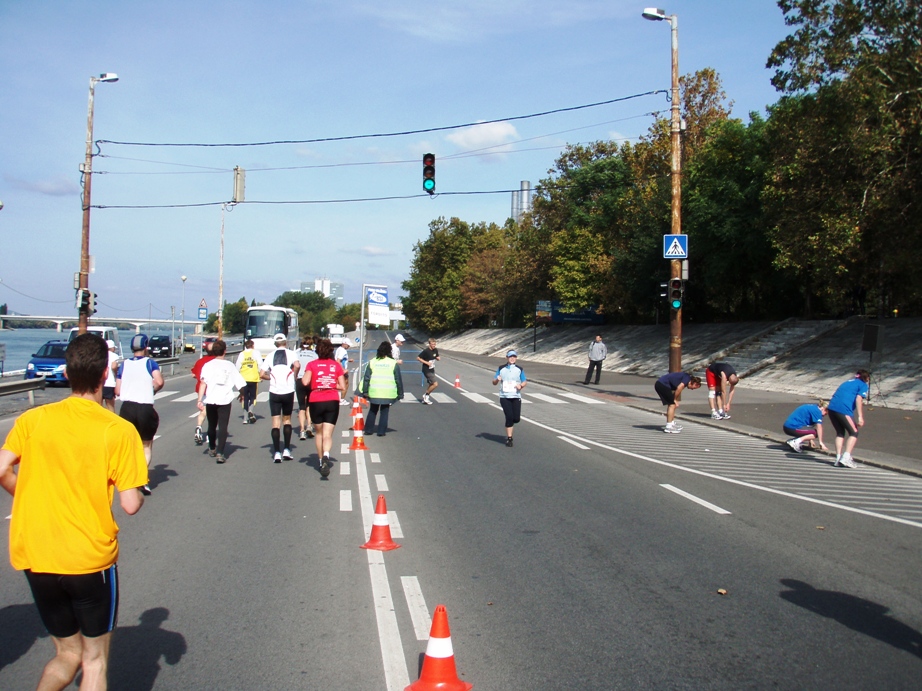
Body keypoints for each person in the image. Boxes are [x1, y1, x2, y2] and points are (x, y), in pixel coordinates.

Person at [0, 333, 147, 691]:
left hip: (35, 553)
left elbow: (2, 468)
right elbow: (129, 504)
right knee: (93, 661)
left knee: (66, 654)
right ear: (104, 377)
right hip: (87, 559)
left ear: (67, 374)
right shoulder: (118, 430)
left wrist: (31, 494)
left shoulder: (34, 420)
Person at [116, 334, 164, 495]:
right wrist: (152, 390)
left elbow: (117, 390)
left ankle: (129, 477)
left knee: (130, 445)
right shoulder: (150, 363)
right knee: (146, 445)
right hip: (144, 407)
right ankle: (142, 479)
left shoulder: (124, 365)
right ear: (146, 347)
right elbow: (159, 381)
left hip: (127, 408)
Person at [197, 340, 247, 464]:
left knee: (211, 425)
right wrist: (242, 394)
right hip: (224, 400)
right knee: (223, 426)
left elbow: (203, 383)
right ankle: (220, 452)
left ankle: (212, 447)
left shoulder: (208, 365)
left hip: (211, 399)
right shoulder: (229, 365)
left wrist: (199, 400)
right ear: (225, 351)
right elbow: (240, 383)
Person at [302, 338, 346, 477]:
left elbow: (305, 381)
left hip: (316, 399)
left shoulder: (311, 364)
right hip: (332, 400)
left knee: (319, 433)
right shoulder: (335, 366)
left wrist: (316, 382)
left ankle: (321, 461)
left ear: (317, 351)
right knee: (328, 434)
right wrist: (330, 385)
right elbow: (343, 386)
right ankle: (327, 454)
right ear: (330, 351)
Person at [260, 333, 301, 463]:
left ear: (275, 343)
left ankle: (277, 452)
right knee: (287, 420)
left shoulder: (270, 356)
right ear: (286, 342)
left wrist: (270, 377)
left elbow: (261, 374)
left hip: (274, 391)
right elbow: (298, 365)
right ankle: (287, 449)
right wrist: (294, 375)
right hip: (288, 390)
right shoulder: (291, 353)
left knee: (275, 422)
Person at [826, 370, 870, 468]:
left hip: (832, 408)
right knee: (854, 432)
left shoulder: (847, 382)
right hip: (843, 409)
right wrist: (860, 416)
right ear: (866, 378)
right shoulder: (863, 385)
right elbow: (859, 399)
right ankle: (846, 456)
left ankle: (838, 458)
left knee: (840, 432)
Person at [361, 341, 404, 437]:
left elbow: (366, 378)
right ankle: (381, 431)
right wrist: (400, 393)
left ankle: (368, 430)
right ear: (390, 351)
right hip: (387, 393)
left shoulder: (372, 362)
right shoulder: (393, 363)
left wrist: (365, 391)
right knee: (384, 412)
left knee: (373, 410)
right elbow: (398, 380)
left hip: (374, 392)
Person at [492, 349, 527, 447]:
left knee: (516, 418)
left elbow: (524, 381)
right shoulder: (501, 368)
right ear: (507, 357)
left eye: (514, 356)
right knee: (509, 417)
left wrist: (521, 386)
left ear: (516, 358)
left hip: (516, 396)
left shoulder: (519, 369)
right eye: (510, 356)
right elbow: (494, 382)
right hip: (504, 396)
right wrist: (497, 379)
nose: (512, 358)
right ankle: (509, 438)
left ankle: (512, 425)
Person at [191, 348, 218, 443]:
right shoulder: (216, 362)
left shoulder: (200, 361)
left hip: (201, 389)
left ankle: (199, 427)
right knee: (212, 413)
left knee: (203, 411)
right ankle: (209, 435)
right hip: (212, 390)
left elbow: (193, 374)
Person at [296, 337, 318, 440]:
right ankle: (309, 425)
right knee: (309, 405)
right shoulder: (314, 355)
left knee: (301, 406)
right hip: (310, 380)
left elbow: (294, 366)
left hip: (300, 380)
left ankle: (301, 430)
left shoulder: (297, 354)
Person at [235, 338, 262, 424]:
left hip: (243, 379)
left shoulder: (241, 354)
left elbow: (237, 367)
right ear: (252, 346)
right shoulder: (256, 353)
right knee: (253, 397)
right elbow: (260, 365)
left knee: (245, 398)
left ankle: (245, 418)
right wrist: (260, 375)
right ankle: (251, 410)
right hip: (253, 379)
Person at [417, 337, 440, 404]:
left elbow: (436, 356)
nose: (434, 346)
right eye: (432, 344)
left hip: (432, 368)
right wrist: (426, 362)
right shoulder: (426, 351)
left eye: (435, 344)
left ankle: (426, 397)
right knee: (435, 384)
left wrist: (438, 358)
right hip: (426, 369)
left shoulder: (435, 350)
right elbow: (418, 358)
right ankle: (426, 395)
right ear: (429, 344)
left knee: (431, 383)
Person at [102, 339, 119, 412]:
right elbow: (114, 366)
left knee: (99, 404)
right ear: (112, 348)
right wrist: (116, 374)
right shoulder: (114, 356)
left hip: (101, 383)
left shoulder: (101, 355)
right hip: (110, 383)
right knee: (110, 405)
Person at [334, 340, 353, 405]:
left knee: (339, 384)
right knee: (345, 385)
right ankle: (341, 399)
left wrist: (348, 360)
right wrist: (343, 370)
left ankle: (339, 398)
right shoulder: (343, 351)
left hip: (337, 370)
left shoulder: (339, 349)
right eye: (348, 345)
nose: (349, 346)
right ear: (344, 343)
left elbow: (340, 359)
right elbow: (338, 361)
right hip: (341, 370)